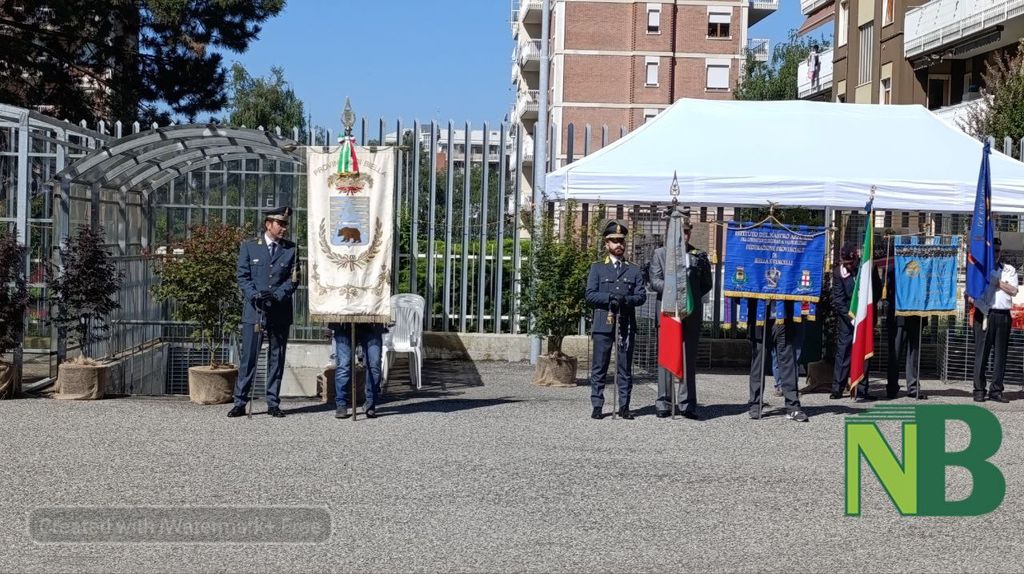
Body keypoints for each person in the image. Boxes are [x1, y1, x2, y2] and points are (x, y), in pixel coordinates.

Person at [228, 206, 299, 418]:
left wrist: (277, 295)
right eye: (280, 224)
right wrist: (254, 295)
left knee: (277, 357)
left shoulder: (291, 249)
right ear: (268, 224)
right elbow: (243, 276)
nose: (284, 228)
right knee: (249, 357)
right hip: (255, 310)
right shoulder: (250, 247)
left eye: (285, 224)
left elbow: (294, 279)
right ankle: (240, 402)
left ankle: (273, 402)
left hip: (279, 310)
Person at [649, 215, 713, 419]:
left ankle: (687, 404)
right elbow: (654, 281)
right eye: (681, 232)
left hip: (690, 314)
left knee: (688, 359)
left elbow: (707, 283)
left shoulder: (698, 255)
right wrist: (674, 290)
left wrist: (689, 295)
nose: (684, 236)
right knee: (666, 358)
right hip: (668, 313)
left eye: (687, 232)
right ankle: (664, 402)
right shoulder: (660, 254)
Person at [585, 221, 647, 420]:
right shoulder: (597, 268)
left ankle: (624, 406)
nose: (618, 244)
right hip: (603, 323)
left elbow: (641, 296)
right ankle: (597, 405)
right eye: (614, 241)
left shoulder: (633, 270)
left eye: (621, 241)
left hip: (625, 324)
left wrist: (626, 300)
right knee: (599, 367)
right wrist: (609, 297)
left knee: (624, 367)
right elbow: (590, 294)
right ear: (606, 244)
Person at [830, 243, 880, 402]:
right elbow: (838, 300)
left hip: (865, 316)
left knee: (865, 352)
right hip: (847, 319)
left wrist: (865, 311)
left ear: (857, 258)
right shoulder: (838, 273)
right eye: (846, 264)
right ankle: (837, 388)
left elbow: (877, 291)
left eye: (851, 263)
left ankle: (862, 389)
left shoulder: (868, 268)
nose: (849, 266)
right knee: (843, 352)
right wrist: (852, 318)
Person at [972, 237, 1018, 403]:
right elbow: (971, 293)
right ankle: (979, 390)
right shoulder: (978, 270)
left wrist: (996, 282)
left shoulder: (1009, 270)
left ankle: (996, 391)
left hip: (1003, 315)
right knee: (982, 354)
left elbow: (1013, 290)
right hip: (984, 314)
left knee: (1000, 355)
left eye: (997, 250)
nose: (995, 254)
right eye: (992, 251)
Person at [747, 298, 808, 422]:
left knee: (788, 363)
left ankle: (793, 406)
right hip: (760, 318)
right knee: (758, 363)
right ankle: (755, 404)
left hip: (785, 318)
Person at [884, 262, 926, 399]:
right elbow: (888, 290)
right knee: (895, 354)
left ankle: (913, 388)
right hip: (898, 316)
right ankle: (892, 388)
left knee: (914, 354)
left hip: (916, 315)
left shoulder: (923, 265)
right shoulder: (893, 267)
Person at [329, 322, 385, 418]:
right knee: (344, 365)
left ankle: (370, 403)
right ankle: (341, 404)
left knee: (374, 365)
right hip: (344, 323)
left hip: (373, 323)